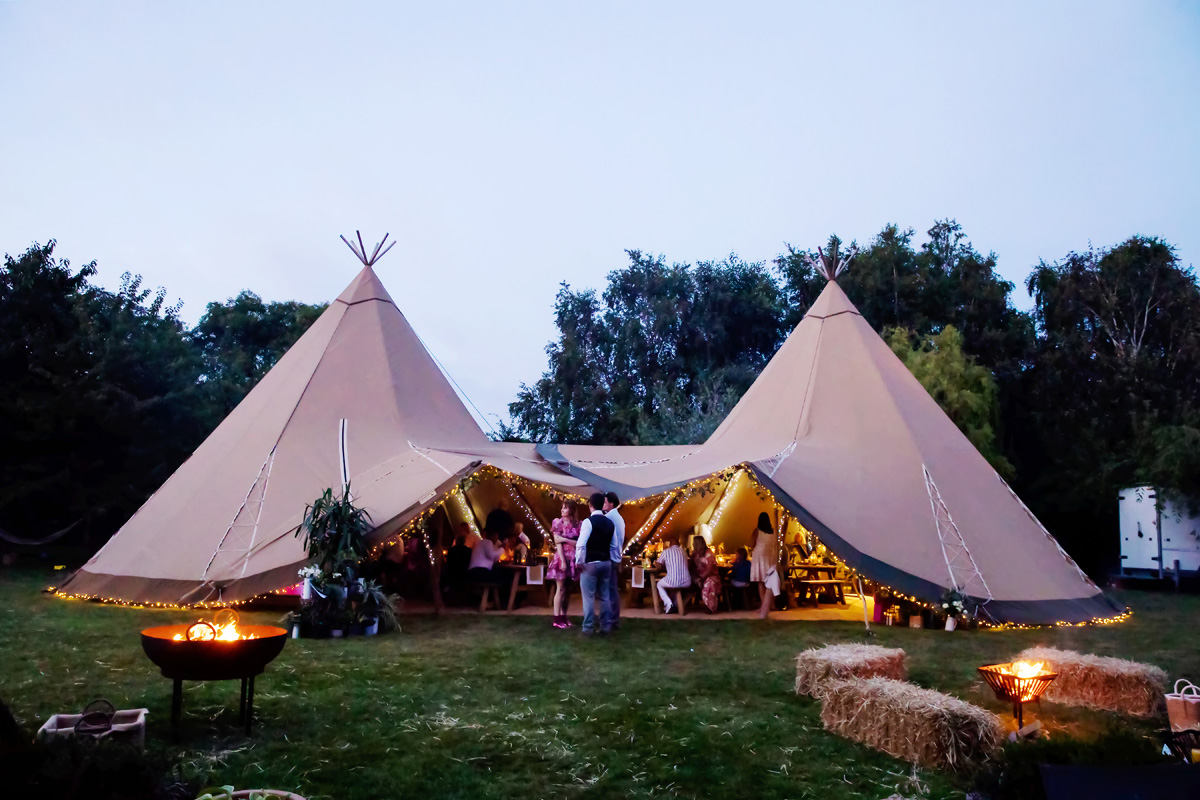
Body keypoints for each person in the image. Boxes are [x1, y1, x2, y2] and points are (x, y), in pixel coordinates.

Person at [574, 492, 615, 635]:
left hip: (590, 563)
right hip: (606, 562)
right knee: (605, 596)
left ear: (590, 505)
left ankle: (588, 628)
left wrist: (578, 561)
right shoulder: (610, 523)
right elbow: (614, 545)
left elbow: (581, 544)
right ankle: (605, 627)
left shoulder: (588, 522)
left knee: (589, 597)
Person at [468, 509, 513, 605]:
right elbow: (492, 555)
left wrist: (500, 548)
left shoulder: (485, 543)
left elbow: (493, 559)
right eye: (496, 535)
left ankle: (498, 602)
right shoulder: (486, 542)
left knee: (501, 577)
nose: (497, 537)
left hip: (476, 572)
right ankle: (504, 603)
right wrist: (503, 549)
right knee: (505, 579)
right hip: (479, 572)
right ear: (492, 535)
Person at [546, 500, 580, 629]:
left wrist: (565, 539)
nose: (562, 510)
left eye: (565, 508)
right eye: (562, 508)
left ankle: (564, 615)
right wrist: (562, 560)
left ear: (571, 510)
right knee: (559, 588)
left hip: (573, 558)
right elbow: (557, 542)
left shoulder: (578, 525)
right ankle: (556, 618)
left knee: (567, 589)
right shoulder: (557, 522)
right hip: (562, 557)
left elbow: (578, 543)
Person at [750, 511, 780, 619]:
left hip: (759, 556)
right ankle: (769, 604)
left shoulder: (757, 531)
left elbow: (752, 543)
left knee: (761, 582)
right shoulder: (774, 532)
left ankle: (764, 605)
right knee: (770, 581)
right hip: (770, 557)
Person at [603, 491, 625, 630]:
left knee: (609, 590)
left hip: (610, 557)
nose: (603, 504)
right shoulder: (618, 517)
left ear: (611, 503)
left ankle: (611, 620)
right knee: (612, 589)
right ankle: (613, 619)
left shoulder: (610, 517)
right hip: (616, 556)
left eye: (605, 502)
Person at [654, 533, 691, 614]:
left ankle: (668, 603)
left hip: (673, 581)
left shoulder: (666, 551)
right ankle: (674, 604)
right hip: (686, 581)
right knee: (673, 584)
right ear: (678, 544)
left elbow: (659, 566)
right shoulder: (684, 552)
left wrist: (655, 563)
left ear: (670, 544)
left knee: (659, 585)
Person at [691, 535, 721, 613]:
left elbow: (709, 570)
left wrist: (701, 578)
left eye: (694, 543)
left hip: (711, 576)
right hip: (698, 576)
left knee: (709, 582)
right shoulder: (695, 554)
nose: (692, 545)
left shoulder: (709, 554)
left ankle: (710, 607)